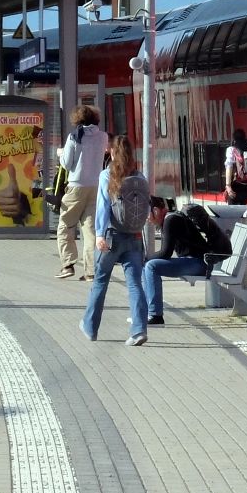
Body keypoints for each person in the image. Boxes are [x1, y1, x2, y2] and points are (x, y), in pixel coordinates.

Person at [81, 134, 152, 347]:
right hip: (134, 237)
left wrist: (100, 234)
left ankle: (90, 327)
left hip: (111, 237)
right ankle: (139, 330)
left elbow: (103, 207)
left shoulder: (107, 175)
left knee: (100, 282)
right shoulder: (140, 177)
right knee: (134, 285)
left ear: (113, 152)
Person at [142, 200, 231, 325]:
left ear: (156, 211)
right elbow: (165, 253)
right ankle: (146, 313)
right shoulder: (171, 219)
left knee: (151, 266)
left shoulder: (170, 220)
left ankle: (155, 315)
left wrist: (144, 258)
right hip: (195, 261)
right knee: (147, 266)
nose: (146, 218)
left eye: (147, 214)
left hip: (199, 263)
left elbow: (165, 253)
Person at [55, 105, 109, 280]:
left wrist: (61, 154)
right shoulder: (103, 137)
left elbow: (67, 164)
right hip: (96, 186)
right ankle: (91, 271)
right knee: (90, 230)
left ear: (77, 119)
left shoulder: (74, 137)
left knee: (65, 226)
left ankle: (68, 265)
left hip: (76, 187)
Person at [223, 129, 247, 206]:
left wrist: (228, 186)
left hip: (236, 187)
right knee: (241, 211)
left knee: (232, 213)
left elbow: (229, 166)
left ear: (234, 139)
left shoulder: (231, 149)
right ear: (244, 137)